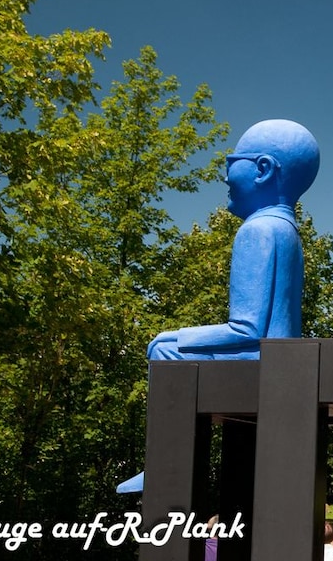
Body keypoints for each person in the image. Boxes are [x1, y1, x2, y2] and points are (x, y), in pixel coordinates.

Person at [116, 119, 320, 493]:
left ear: (263, 169)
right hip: (282, 359)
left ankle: (164, 464)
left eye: (231, 163)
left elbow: (246, 329)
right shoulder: (285, 229)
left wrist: (176, 335)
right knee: (168, 345)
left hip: (260, 362)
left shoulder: (257, 231)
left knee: (164, 349)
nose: (225, 176)